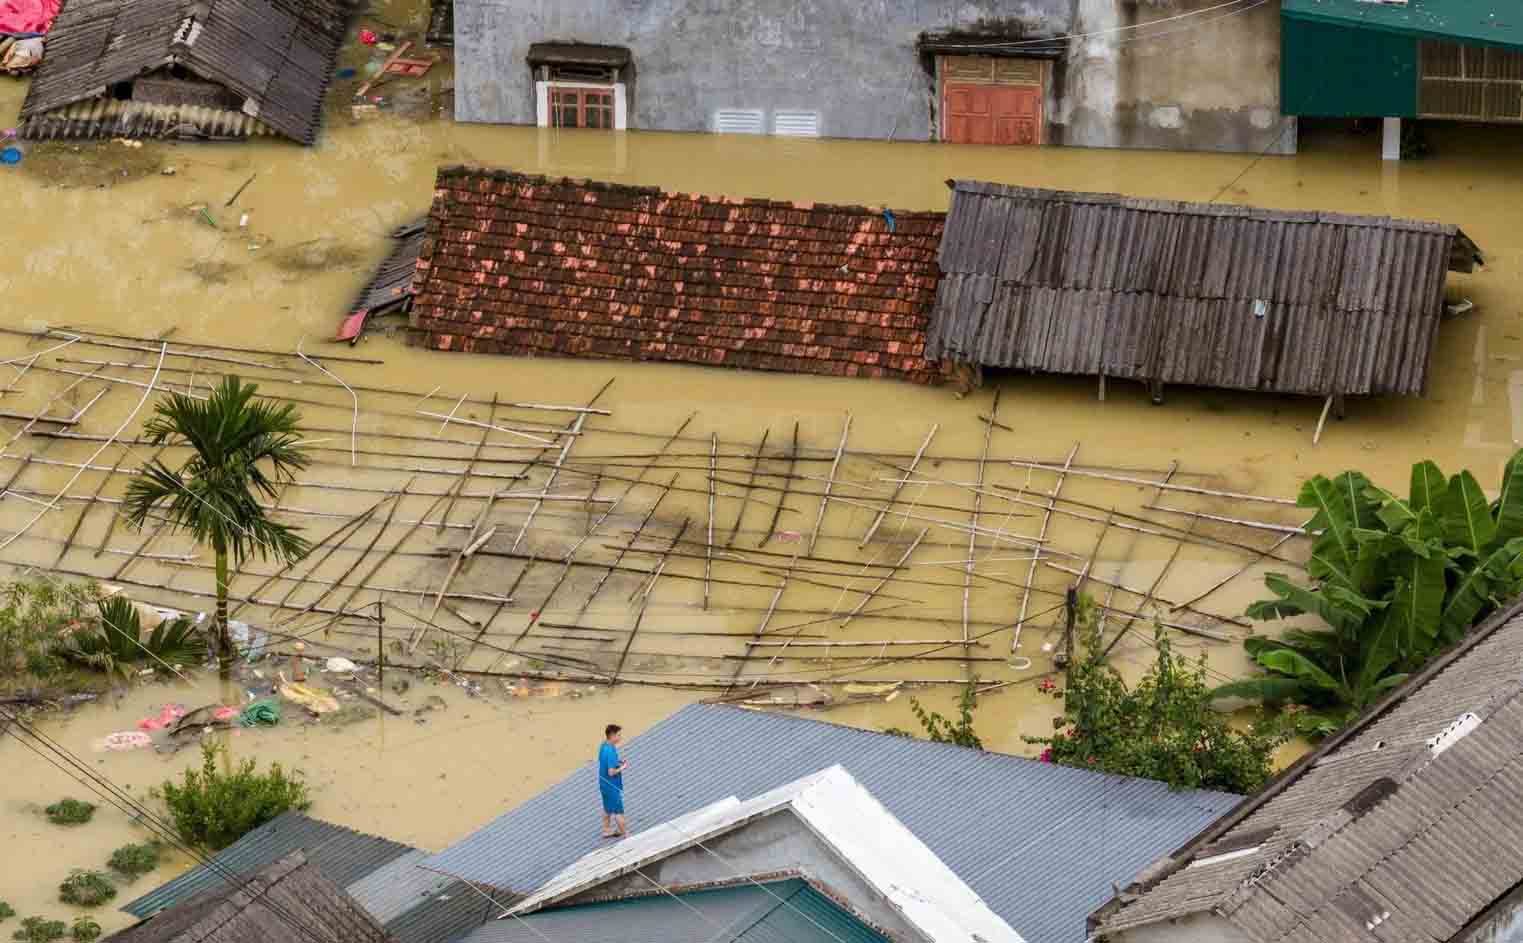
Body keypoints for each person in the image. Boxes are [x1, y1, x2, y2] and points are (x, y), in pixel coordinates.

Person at [598, 723, 627, 837]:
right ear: (612, 735)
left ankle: (606, 830)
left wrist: (618, 762)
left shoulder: (604, 745)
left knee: (607, 808)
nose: (620, 737)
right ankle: (625, 834)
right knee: (618, 811)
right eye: (619, 735)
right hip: (612, 785)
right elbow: (611, 772)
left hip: (603, 783)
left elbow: (605, 763)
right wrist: (622, 767)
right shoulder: (610, 751)